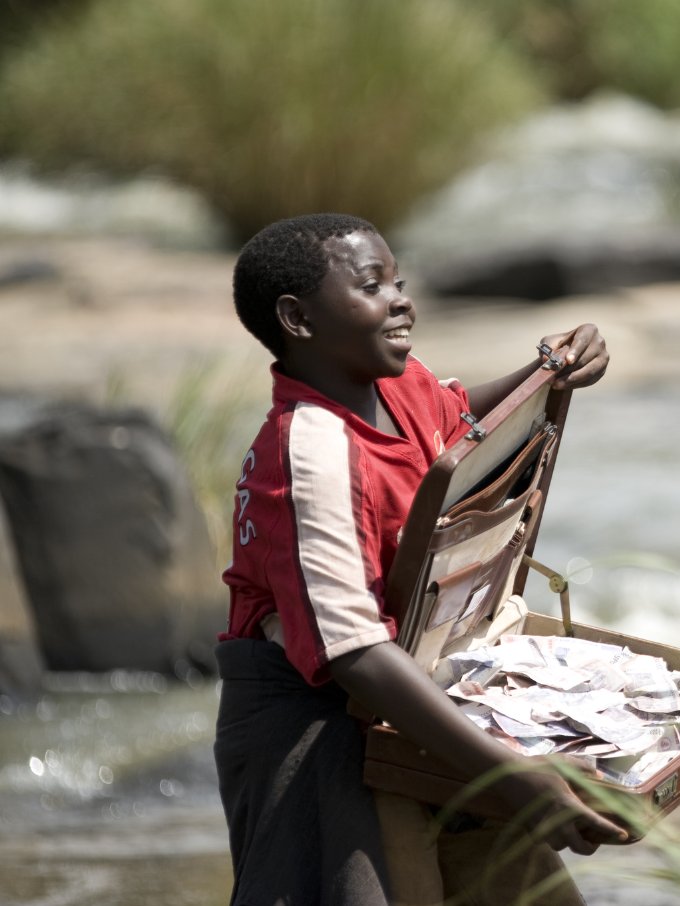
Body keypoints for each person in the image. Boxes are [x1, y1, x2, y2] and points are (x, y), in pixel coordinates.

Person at [214, 212, 626, 906]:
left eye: (399, 281)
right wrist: (510, 778)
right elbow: (353, 652)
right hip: (318, 729)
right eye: (373, 286)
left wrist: (552, 370)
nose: (402, 299)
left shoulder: (395, 384)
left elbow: (457, 422)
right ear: (298, 318)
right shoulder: (308, 454)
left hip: (413, 699)